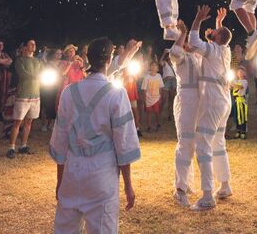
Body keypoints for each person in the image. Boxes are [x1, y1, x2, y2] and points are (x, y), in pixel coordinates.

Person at [50, 38, 142, 234]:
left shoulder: (69, 92)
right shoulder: (116, 94)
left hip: (72, 176)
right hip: (102, 178)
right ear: (109, 59)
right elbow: (123, 144)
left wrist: (60, 180)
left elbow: (60, 140)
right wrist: (128, 186)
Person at [188, 5, 233, 211]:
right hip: (223, 101)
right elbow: (222, 38)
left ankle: (207, 195)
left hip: (213, 101)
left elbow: (193, 41)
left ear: (214, 38)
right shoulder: (225, 50)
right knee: (218, 143)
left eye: (213, 33)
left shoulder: (213, 50)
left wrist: (198, 20)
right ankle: (224, 185)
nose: (210, 33)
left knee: (203, 144)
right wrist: (218, 25)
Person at [168, 20, 203, 207]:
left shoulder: (196, 56)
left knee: (194, 144)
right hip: (186, 101)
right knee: (184, 143)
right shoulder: (180, 58)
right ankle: (179, 189)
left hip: (199, 103)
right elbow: (174, 52)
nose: (188, 42)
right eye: (185, 39)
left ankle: (186, 182)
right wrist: (183, 32)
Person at [6, 39, 44, 159]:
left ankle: (23, 145)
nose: (34, 46)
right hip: (23, 95)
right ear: (25, 47)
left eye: (34, 44)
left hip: (35, 94)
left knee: (29, 122)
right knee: (18, 122)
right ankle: (11, 147)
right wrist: (38, 76)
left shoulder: (38, 61)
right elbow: (24, 74)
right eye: (31, 44)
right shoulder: (19, 61)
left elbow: (43, 72)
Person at [40, 48, 66, 132]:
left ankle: (50, 124)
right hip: (48, 85)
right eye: (57, 53)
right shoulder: (48, 63)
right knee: (46, 104)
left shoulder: (62, 63)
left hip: (58, 85)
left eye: (60, 54)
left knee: (53, 105)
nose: (59, 55)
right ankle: (44, 123)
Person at [142, 61, 164, 132]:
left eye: (155, 66)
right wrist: (145, 99)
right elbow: (144, 89)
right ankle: (149, 126)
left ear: (157, 68)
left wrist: (160, 97)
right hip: (148, 98)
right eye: (152, 65)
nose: (154, 67)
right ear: (150, 67)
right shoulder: (146, 77)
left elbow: (161, 87)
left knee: (157, 112)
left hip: (156, 98)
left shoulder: (159, 76)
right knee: (148, 113)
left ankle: (158, 123)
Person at [231, 67, 248, 139]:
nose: (240, 73)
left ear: (244, 73)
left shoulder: (245, 81)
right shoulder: (235, 81)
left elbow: (240, 87)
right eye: (238, 72)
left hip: (242, 101)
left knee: (242, 116)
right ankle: (238, 131)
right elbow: (231, 88)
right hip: (236, 101)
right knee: (237, 116)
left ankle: (243, 131)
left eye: (241, 72)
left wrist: (231, 84)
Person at [160, 50, 176, 122]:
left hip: (173, 81)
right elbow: (160, 61)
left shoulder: (174, 64)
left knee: (171, 99)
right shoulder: (165, 63)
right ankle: (159, 113)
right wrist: (164, 53)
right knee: (163, 98)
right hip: (166, 81)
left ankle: (169, 114)